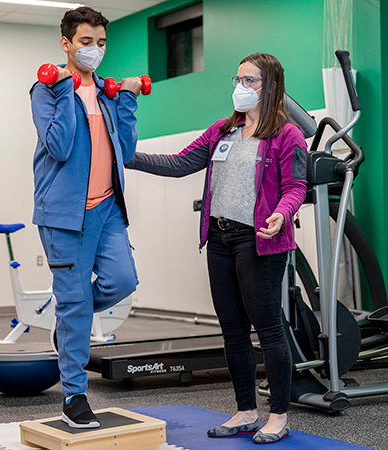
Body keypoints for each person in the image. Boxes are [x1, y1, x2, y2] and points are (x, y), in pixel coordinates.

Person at [126, 53, 306, 444]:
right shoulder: (221, 131)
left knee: (269, 330)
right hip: (220, 238)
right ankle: (245, 411)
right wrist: (126, 156)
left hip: (260, 240)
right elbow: (177, 163)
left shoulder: (286, 135)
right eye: (237, 79)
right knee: (232, 331)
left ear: (271, 85)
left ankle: (278, 416)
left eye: (250, 81)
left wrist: (280, 213)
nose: (240, 87)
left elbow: (296, 187)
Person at [29, 6, 143, 429]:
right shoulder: (45, 90)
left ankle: (69, 323)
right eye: (85, 42)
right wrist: (65, 91)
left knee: (123, 281)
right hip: (63, 215)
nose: (94, 50)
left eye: (100, 43)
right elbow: (58, 146)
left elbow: (125, 152)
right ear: (66, 44)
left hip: (108, 207)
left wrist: (127, 98)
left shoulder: (110, 94)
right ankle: (74, 397)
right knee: (76, 302)